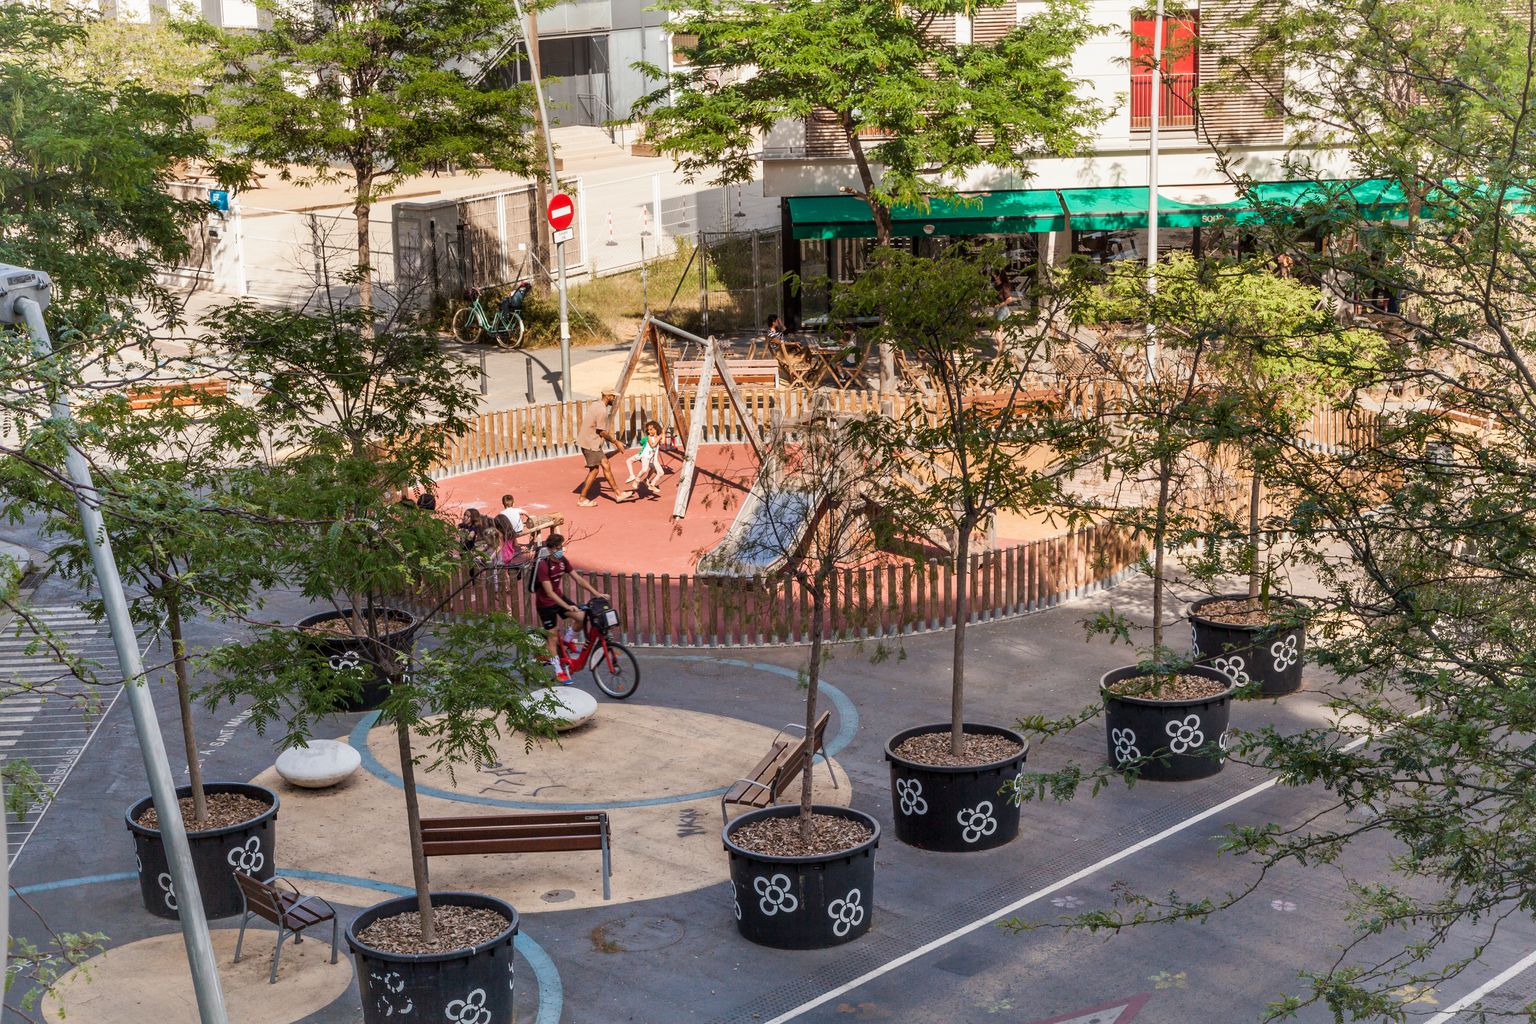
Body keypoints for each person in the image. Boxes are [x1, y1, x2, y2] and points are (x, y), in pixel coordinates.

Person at [533, 533, 608, 682]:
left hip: (559, 598)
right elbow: (549, 592)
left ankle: (567, 640)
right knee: (552, 637)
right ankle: (558, 670)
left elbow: (578, 579)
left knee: (582, 617)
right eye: (557, 548)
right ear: (550, 549)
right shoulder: (543, 566)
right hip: (545, 604)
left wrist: (597, 594)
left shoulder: (563, 561)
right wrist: (567, 606)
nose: (560, 550)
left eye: (561, 547)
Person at [576, 389, 634, 507]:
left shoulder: (596, 405)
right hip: (590, 443)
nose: (614, 399)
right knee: (594, 471)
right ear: (608, 396)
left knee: (605, 464)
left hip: (589, 441)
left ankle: (618, 494)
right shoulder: (602, 410)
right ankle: (582, 499)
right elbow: (601, 431)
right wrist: (616, 442)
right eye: (613, 396)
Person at [624, 420, 666, 490]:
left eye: (651, 429)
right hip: (644, 456)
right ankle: (636, 479)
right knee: (644, 469)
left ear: (656, 429)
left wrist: (663, 433)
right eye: (648, 430)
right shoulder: (649, 437)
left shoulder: (658, 437)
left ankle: (652, 484)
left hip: (652, 458)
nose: (649, 431)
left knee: (661, 473)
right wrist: (659, 438)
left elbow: (663, 442)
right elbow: (652, 445)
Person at [493, 494, 527, 565]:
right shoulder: (516, 510)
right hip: (518, 530)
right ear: (513, 503)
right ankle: (516, 545)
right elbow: (525, 512)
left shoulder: (502, 513)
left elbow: (499, 547)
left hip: (509, 531)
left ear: (503, 504)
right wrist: (529, 518)